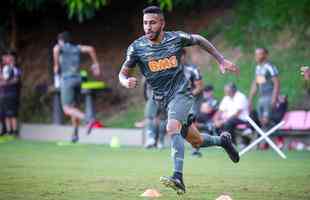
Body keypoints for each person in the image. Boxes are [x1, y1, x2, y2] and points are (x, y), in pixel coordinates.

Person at [118, 6, 240, 195]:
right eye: (145, 23)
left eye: (152, 22)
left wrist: (221, 60)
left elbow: (198, 39)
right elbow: (122, 73)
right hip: (162, 101)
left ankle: (178, 177)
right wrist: (125, 81)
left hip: (180, 94)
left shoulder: (175, 38)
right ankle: (223, 141)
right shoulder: (137, 47)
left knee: (171, 128)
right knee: (196, 140)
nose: (148, 27)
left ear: (162, 24)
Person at [53, 31, 101, 143]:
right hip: (78, 80)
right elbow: (90, 49)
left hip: (67, 80)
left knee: (67, 109)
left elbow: (55, 63)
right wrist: (95, 65)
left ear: (61, 41)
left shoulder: (59, 48)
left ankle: (89, 120)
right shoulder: (76, 47)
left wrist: (56, 65)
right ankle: (75, 135)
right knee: (73, 107)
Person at [249, 48, 280, 130]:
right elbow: (257, 83)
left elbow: (276, 83)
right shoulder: (258, 68)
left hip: (269, 96)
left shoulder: (269, 67)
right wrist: (250, 100)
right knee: (261, 121)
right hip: (261, 97)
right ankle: (264, 142)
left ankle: (271, 141)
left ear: (265, 55)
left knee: (267, 120)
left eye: (259, 54)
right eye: (256, 54)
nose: (256, 56)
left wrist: (274, 98)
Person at [0, 51, 21, 136]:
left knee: (12, 114)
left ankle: (14, 132)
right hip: (3, 95)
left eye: (10, 58)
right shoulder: (4, 68)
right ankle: (8, 132)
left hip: (12, 94)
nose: (7, 59)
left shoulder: (15, 69)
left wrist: (6, 82)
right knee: (5, 115)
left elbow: (16, 80)